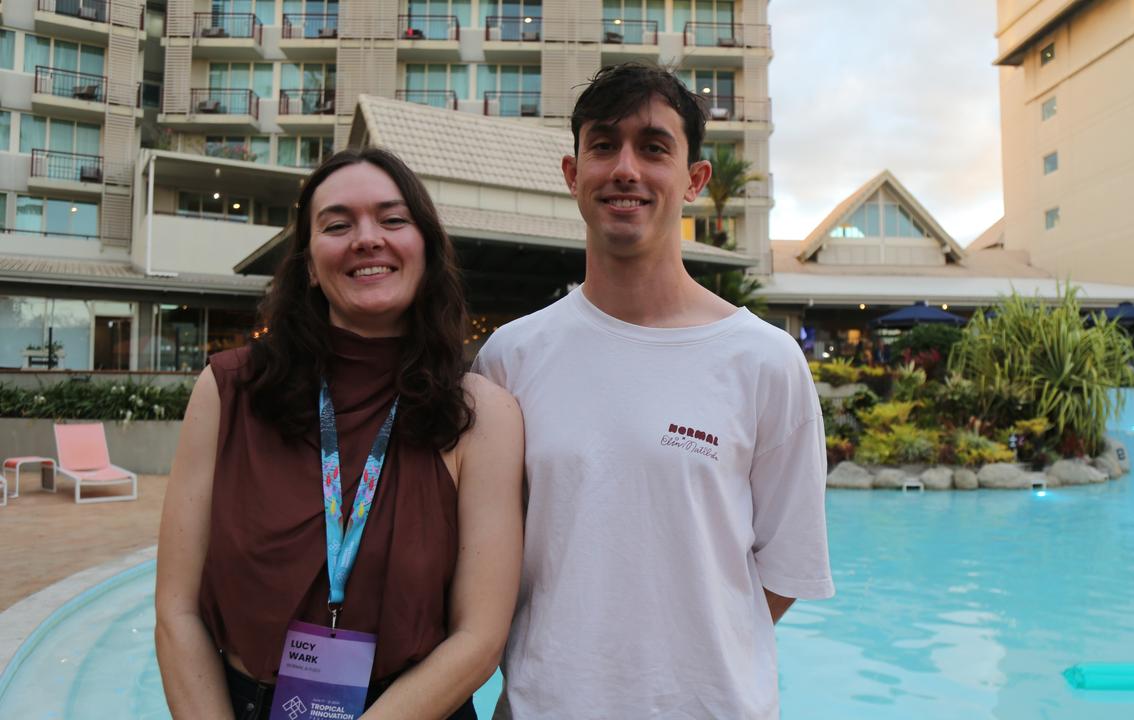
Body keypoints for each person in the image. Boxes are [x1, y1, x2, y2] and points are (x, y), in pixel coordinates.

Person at [473, 63, 835, 719]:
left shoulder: (765, 362)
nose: (626, 169)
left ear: (695, 179)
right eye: (604, 145)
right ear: (571, 173)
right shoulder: (510, 358)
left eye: (654, 146)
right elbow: (485, 562)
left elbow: (784, 573)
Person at [155, 148, 524, 720]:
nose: (366, 238)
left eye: (393, 219)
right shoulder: (229, 391)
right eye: (336, 224)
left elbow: (479, 638)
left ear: (425, 245)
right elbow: (177, 610)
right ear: (307, 261)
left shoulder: (482, 414)